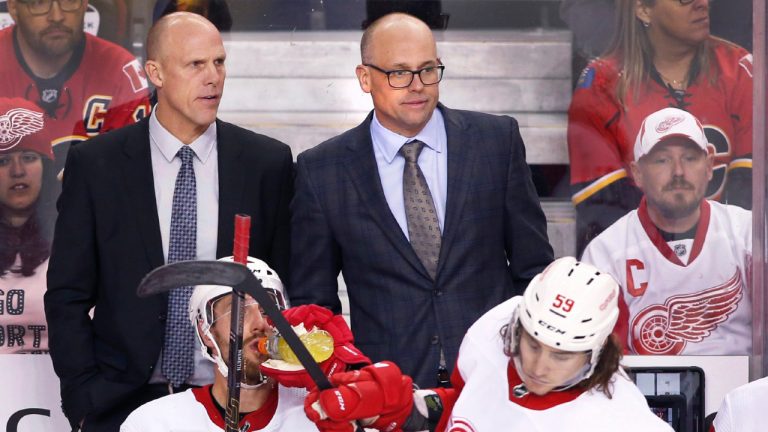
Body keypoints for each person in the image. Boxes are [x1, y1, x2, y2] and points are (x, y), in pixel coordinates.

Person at [44, 12, 293, 431]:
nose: (213, 77)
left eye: (219, 62)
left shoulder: (266, 163)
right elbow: (67, 294)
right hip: (121, 401)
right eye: (196, 64)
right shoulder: (97, 164)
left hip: (239, 402)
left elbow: (290, 284)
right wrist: (83, 396)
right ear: (154, 73)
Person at [289, 12, 553, 389]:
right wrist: (349, 383)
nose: (417, 86)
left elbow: (534, 270)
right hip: (387, 394)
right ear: (365, 78)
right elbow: (315, 304)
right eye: (399, 72)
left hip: (495, 381)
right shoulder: (323, 170)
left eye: (428, 70)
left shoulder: (496, 142)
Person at [303, 257, 673, 432]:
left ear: (596, 355)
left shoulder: (622, 422)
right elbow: (467, 404)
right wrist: (405, 408)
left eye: (561, 355)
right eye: (532, 343)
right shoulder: (495, 328)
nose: (538, 366)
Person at [567, 0, 753, 254]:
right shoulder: (600, 84)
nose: (703, 4)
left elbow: (754, 190)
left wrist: (710, 254)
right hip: (639, 258)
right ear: (643, 9)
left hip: (730, 254)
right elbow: (603, 207)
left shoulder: (741, 70)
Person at [581, 108, 751, 355]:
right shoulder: (605, 253)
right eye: (662, 160)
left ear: (709, 166)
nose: (679, 171)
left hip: (742, 387)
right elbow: (604, 362)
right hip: (645, 391)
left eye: (690, 158)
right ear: (637, 173)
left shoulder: (748, 233)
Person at [121, 257, 328, 431]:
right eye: (239, 310)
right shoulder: (155, 423)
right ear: (206, 332)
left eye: (268, 308)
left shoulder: (321, 410)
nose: (260, 323)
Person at [1, 0, 151, 174]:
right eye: (39, 3)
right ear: (13, 7)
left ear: (85, 3)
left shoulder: (121, 71)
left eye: (69, 1)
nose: (57, 16)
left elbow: (134, 175)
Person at [0, 97, 58, 353]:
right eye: (3, 161)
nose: (18, 171)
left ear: (46, 166)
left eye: (29, 157)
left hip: (57, 386)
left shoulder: (75, 233)